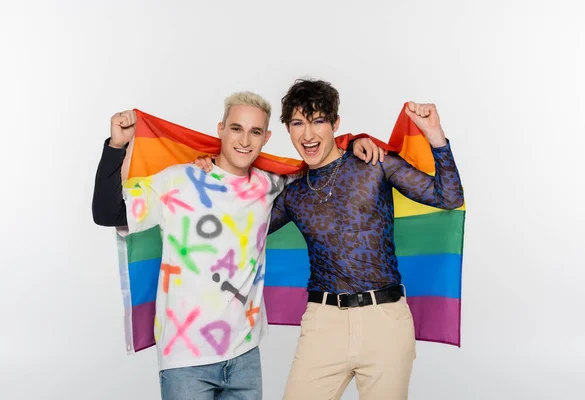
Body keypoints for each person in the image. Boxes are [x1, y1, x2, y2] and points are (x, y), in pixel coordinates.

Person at [91, 91, 383, 399]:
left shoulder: (270, 186)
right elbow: (106, 213)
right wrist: (116, 146)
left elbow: (323, 164)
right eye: (236, 129)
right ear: (220, 129)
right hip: (185, 359)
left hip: (245, 356)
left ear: (266, 137)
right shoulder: (179, 180)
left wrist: (353, 142)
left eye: (255, 132)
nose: (245, 140)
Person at [268, 79, 465, 400]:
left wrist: (435, 136)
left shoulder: (373, 163)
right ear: (287, 129)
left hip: (385, 321)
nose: (307, 134)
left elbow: (449, 197)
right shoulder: (293, 193)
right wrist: (211, 172)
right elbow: (244, 231)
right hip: (323, 323)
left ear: (335, 124)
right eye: (297, 123)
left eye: (318, 121)